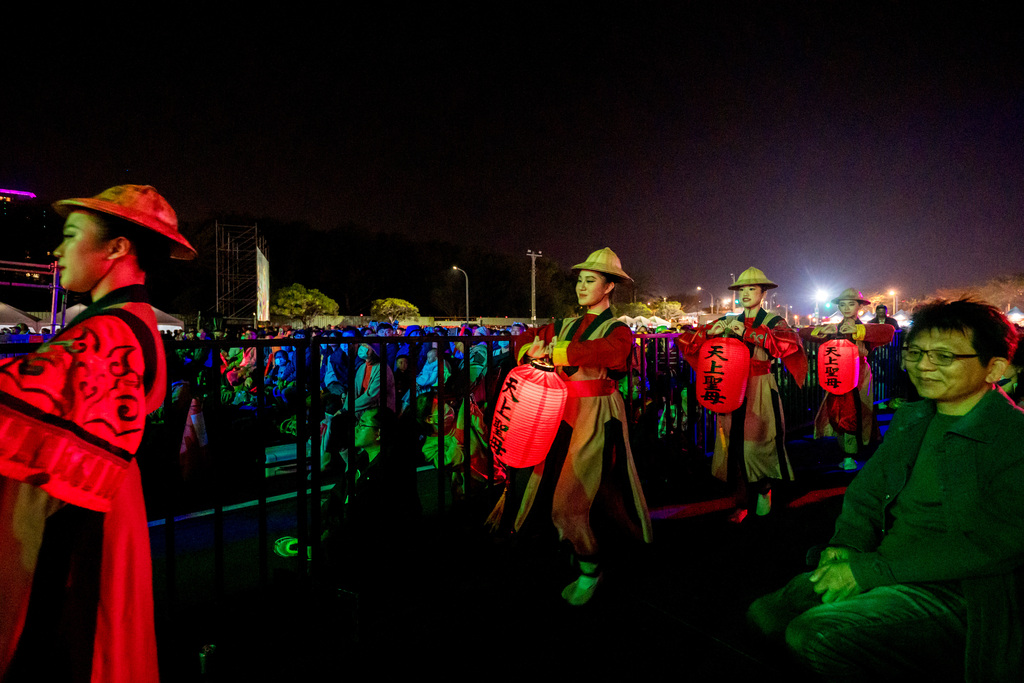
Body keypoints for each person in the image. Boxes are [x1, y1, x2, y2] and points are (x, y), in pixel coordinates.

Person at [747, 298, 1024, 682]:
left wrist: (867, 571)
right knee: (766, 613)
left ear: (994, 367)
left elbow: (997, 543)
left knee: (815, 636)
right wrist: (848, 543)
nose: (923, 366)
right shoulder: (913, 419)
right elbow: (868, 492)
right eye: (916, 352)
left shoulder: (1011, 436)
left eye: (944, 357)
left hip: (959, 587)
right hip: (883, 563)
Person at [0, 185, 196, 682]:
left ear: (116, 247)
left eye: (70, 236)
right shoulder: (132, 322)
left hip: (86, 518)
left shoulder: (108, 332)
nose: (57, 251)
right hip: (109, 502)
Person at [502, 247, 652, 606]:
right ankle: (578, 549)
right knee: (560, 485)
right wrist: (531, 348)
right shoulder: (565, 324)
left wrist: (559, 352)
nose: (581, 287)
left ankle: (590, 569)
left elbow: (613, 353)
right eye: (580, 280)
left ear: (609, 286)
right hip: (560, 412)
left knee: (570, 499)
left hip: (596, 415)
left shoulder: (618, 329)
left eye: (590, 280)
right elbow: (523, 339)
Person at [675, 267, 807, 523]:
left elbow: (787, 345)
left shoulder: (774, 321)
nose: (745, 293)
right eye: (742, 289)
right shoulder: (728, 320)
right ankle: (742, 500)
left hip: (759, 386)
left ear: (763, 293)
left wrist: (746, 332)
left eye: (752, 289)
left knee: (759, 443)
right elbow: (686, 340)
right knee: (733, 444)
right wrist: (708, 333)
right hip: (731, 386)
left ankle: (764, 489)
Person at [801, 288, 895, 469]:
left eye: (851, 304)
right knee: (841, 412)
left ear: (860, 306)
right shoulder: (834, 329)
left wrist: (857, 329)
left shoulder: (865, 329)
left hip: (859, 375)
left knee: (857, 411)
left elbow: (888, 331)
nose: (846, 308)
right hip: (837, 374)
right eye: (842, 304)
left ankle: (853, 453)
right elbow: (803, 332)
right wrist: (821, 330)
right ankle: (848, 453)